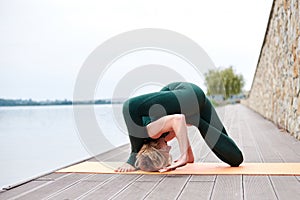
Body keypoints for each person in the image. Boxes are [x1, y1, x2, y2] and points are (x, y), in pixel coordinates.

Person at [115, 82, 243, 172]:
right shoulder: (163, 136)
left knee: (129, 106)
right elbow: (180, 126)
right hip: (199, 103)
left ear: (156, 148)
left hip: (186, 94)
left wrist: (183, 156)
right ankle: (196, 119)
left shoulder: (152, 132)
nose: (170, 147)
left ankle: (133, 155)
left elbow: (179, 119)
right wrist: (188, 156)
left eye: (165, 151)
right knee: (235, 159)